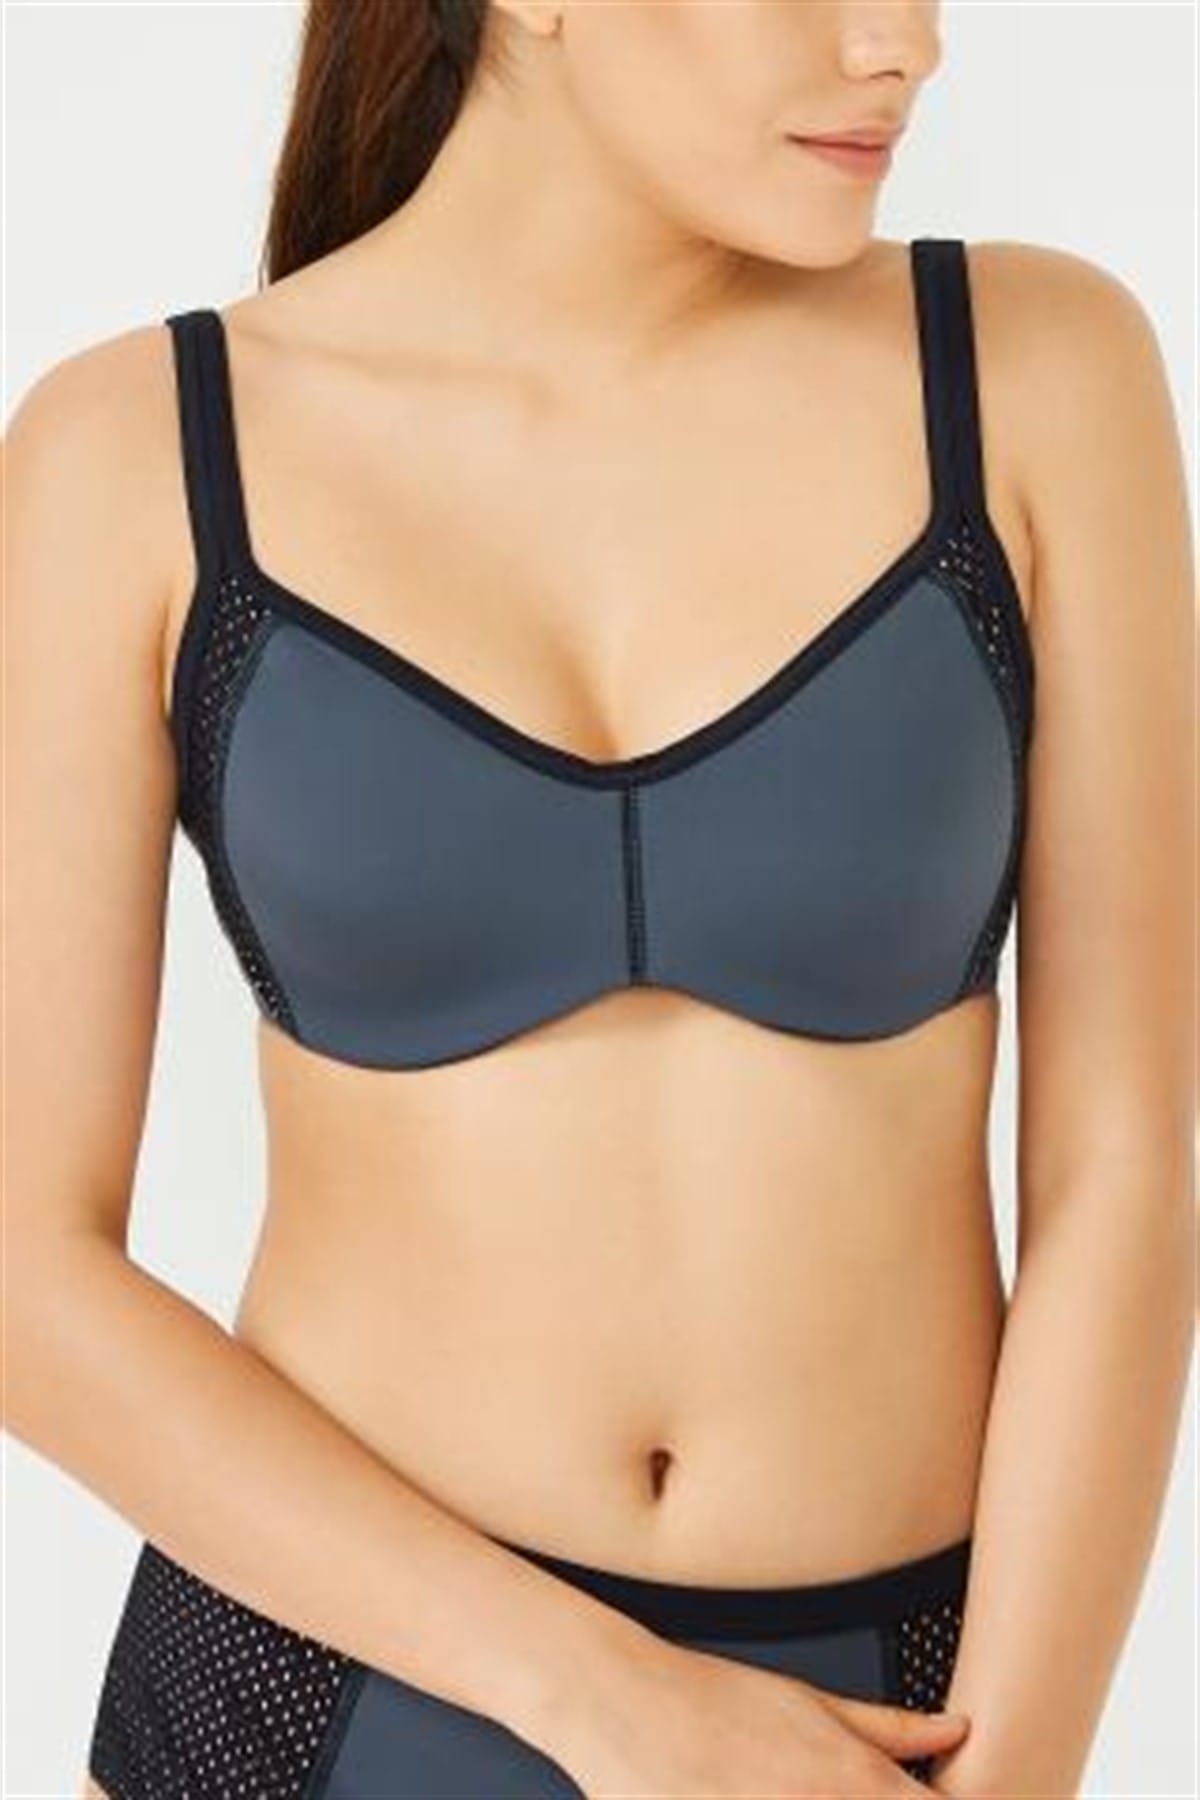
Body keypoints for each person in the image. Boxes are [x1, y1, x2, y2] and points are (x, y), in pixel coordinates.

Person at [5, 1, 1194, 1796]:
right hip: (314, 1708)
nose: (907, 46)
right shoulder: (135, 458)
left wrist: (1012, 1767)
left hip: (899, 1721)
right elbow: (21, 1262)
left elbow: (1124, 1163)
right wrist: (608, 1700)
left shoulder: (1035, 372)